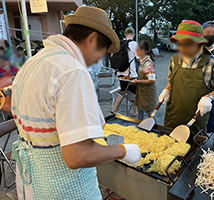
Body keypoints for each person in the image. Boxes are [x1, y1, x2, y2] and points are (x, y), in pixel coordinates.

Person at [11, 7, 141, 200]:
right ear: (92, 39)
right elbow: (78, 155)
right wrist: (123, 151)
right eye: (102, 52)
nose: (98, 60)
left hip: (33, 185)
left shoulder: (34, 62)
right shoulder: (71, 71)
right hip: (64, 190)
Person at [158, 20, 214, 134]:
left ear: (199, 43)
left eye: (187, 44)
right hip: (174, 114)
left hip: (196, 118)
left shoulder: (211, 62)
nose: (182, 48)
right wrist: (166, 90)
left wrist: (208, 98)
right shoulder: (174, 60)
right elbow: (171, 82)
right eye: (180, 44)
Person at [111, 27, 138, 116]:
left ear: (125, 34)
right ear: (133, 35)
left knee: (123, 91)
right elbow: (140, 58)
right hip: (131, 74)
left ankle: (114, 109)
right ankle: (135, 112)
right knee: (134, 93)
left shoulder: (119, 43)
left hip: (120, 73)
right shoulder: (134, 44)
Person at [131, 40, 157, 122]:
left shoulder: (148, 64)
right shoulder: (143, 62)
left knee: (150, 113)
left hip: (148, 93)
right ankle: (139, 127)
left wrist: (137, 81)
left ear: (142, 51)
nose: (136, 51)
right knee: (140, 113)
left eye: (137, 49)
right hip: (142, 92)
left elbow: (152, 80)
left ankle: (156, 128)